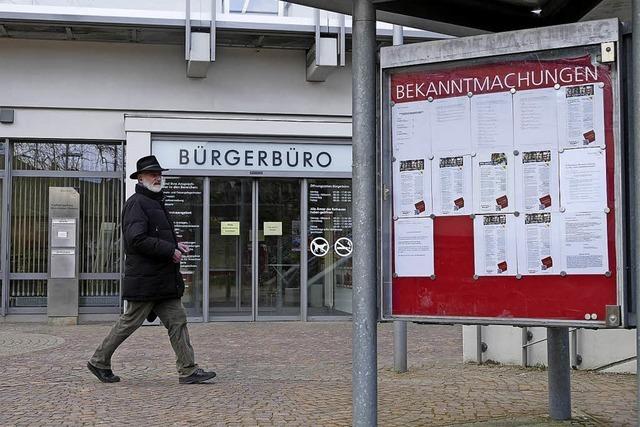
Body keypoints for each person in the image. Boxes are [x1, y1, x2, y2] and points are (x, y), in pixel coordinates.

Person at [87, 155, 216, 384]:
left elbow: (153, 236)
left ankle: (188, 370)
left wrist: (176, 245)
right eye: (152, 174)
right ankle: (99, 361)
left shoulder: (155, 201)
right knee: (129, 322)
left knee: (178, 321)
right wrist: (169, 250)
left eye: (159, 173)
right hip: (146, 280)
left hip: (162, 280)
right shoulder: (137, 203)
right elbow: (135, 240)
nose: (157, 177)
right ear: (140, 178)